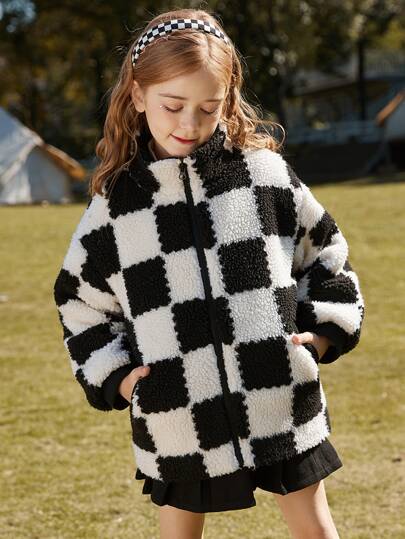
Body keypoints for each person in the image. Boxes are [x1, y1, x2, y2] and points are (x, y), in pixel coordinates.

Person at [53, 7, 365, 539]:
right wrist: (118, 377)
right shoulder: (116, 208)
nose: (189, 124)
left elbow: (325, 253)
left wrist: (321, 335)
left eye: (209, 107)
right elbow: (79, 299)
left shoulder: (265, 177)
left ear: (229, 99)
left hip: (279, 394)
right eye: (172, 105)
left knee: (316, 530)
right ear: (137, 96)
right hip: (177, 413)